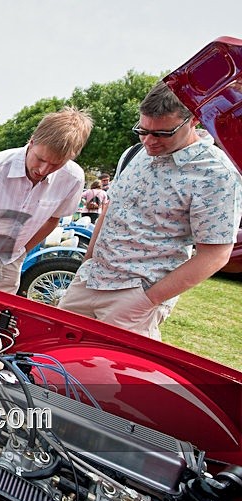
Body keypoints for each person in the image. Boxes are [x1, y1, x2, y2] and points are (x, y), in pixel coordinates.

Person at [58, 81, 242, 340]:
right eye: (143, 131)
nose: (149, 141)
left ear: (194, 121)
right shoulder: (134, 153)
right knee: (48, 361)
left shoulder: (216, 174)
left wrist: (147, 301)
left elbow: (215, 254)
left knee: (107, 376)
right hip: (90, 280)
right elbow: (111, 210)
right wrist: (87, 263)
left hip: (136, 293)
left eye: (162, 134)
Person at [0, 107, 93, 293]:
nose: (43, 170)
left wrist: (24, 251)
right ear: (32, 141)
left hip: (11, 259)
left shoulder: (73, 178)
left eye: (56, 164)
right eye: (40, 159)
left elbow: (53, 219)